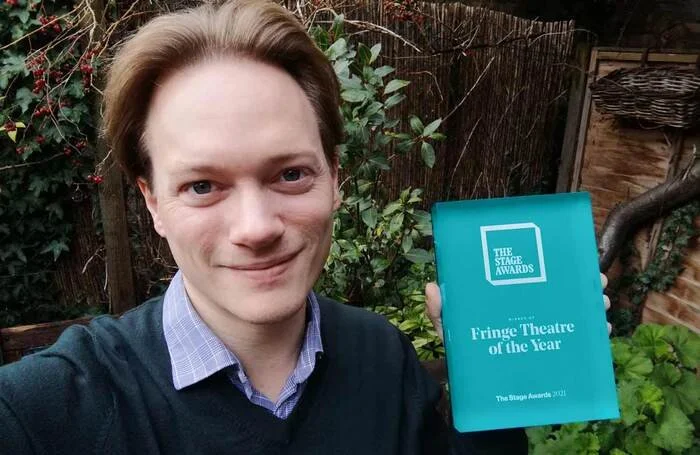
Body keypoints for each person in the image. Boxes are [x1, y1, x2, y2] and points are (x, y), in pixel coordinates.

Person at [0, 1, 610, 453]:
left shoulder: (382, 355)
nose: (256, 227)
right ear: (153, 202)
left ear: (334, 178)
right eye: (202, 186)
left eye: (291, 174)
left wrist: (495, 367)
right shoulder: (43, 410)